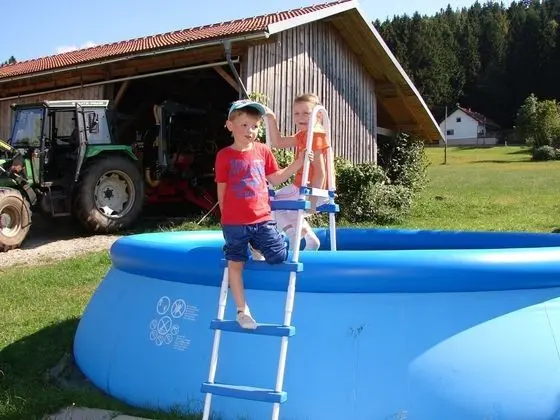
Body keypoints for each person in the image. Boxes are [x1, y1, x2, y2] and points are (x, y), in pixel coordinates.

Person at [214, 99, 313, 329]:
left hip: (261, 219)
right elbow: (222, 190)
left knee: (278, 256)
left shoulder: (262, 151)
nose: (250, 130)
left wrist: (298, 163)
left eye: (255, 126)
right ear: (230, 125)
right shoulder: (224, 156)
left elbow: (276, 179)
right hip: (234, 223)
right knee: (235, 264)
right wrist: (225, 218)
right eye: (244, 125)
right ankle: (242, 311)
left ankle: (257, 245)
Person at [263, 93, 330, 252]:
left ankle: (293, 234)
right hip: (303, 188)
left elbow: (320, 172)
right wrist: (271, 119)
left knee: (268, 202)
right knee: (286, 208)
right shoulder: (303, 134)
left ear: (318, 116)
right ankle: (310, 240)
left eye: (306, 113)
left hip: (310, 189)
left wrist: (313, 200)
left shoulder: (315, 136)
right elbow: (278, 143)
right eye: (296, 113)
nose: (301, 117)